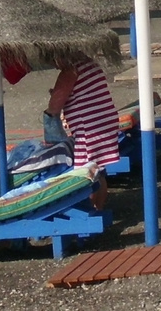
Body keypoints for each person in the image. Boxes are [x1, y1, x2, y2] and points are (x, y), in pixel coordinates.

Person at [45, 56, 119, 208]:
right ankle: (99, 207)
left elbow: (54, 106)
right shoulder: (88, 63)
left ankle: (91, 207)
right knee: (98, 169)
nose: (54, 65)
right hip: (104, 121)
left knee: (85, 173)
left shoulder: (70, 70)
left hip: (89, 128)